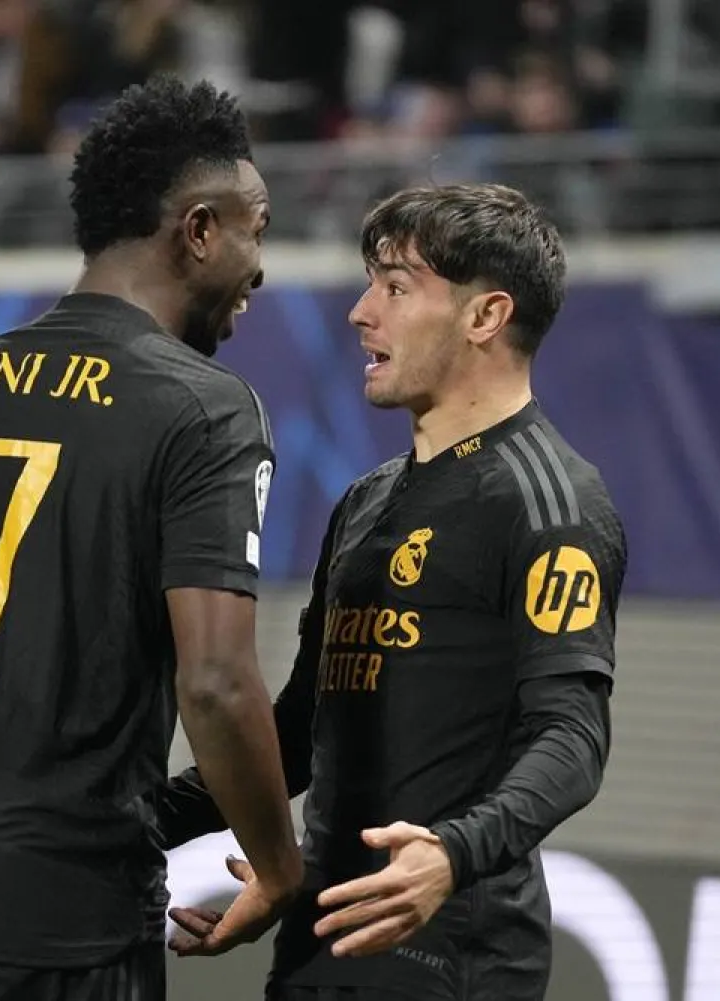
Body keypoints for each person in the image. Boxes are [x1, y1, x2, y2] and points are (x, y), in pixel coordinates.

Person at [0, 75, 304, 1001]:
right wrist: (279, 863)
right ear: (201, 230)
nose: (262, 265)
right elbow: (216, 683)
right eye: (258, 227)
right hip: (64, 916)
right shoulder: (205, 410)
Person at [155, 182, 627, 1001]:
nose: (361, 311)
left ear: (486, 317)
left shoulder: (552, 503)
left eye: (397, 287)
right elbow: (302, 730)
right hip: (322, 943)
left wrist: (451, 851)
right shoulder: (367, 499)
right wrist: (136, 820)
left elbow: (572, 737)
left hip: (452, 962)